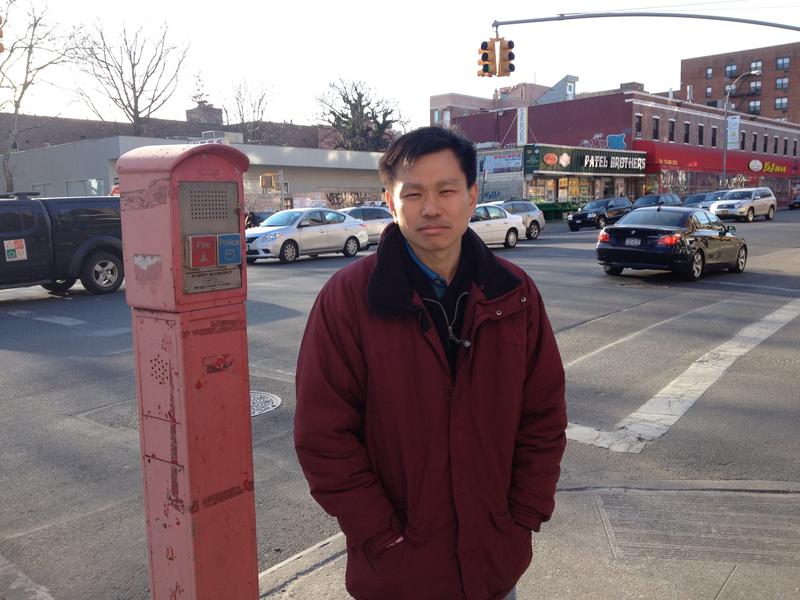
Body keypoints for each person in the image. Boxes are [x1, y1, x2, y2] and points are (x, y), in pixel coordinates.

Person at [294, 126, 567, 600]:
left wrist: (521, 518)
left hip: (493, 570)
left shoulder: (514, 294)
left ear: (472, 196)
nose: (432, 207)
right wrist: (383, 536)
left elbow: (542, 417)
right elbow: (323, 437)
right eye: (414, 192)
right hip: (398, 573)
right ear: (389, 200)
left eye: (446, 190)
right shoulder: (349, 300)